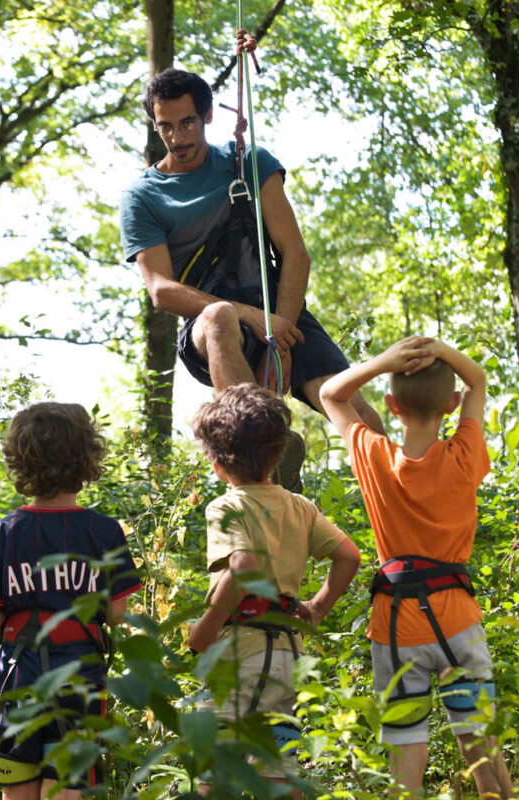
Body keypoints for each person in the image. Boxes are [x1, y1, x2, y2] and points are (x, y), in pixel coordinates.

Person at [119, 34, 383, 489]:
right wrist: (254, 318)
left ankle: (401, 519)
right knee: (219, 314)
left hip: (280, 303)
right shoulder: (142, 196)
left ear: (206, 115)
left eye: (187, 123)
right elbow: (161, 291)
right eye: (165, 127)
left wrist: (281, 324)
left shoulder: (249, 163)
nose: (177, 138)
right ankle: (256, 454)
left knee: (362, 416)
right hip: (213, 324)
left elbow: (295, 253)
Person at [319, 337, 514, 799]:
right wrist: (442, 350)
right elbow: (478, 381)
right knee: (480, 739)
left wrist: (383, 362)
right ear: (451, 404)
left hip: (394, 628)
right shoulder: (464, 455)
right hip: (457, 624)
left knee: (405, 752)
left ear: (389, 404)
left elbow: (331, 394)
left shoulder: (374, 456)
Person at [188, 383, 361, 792]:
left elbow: (243, 566)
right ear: (279, 454)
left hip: (241, 654)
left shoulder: (227, 506)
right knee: (279, 771)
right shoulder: (300, 507)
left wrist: (207, 627)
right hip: (287, 656)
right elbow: (349, 556)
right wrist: (317, 607)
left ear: (216, 463)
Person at [0, 402, 141, 800]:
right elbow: (116, 614)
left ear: (19, 462)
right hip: (80, 673)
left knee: (17, 785)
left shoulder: (3, 533)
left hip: (18, 674)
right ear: (87, 458)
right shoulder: (104, 531)